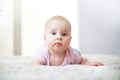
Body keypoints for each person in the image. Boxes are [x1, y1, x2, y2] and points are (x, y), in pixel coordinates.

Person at [32, 15, 104, 66]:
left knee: (77, 54)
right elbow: (35, 63)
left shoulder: (71, 53)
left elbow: (82, 60)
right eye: (54, 33)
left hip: (75, 52)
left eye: (64, 34)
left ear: (70, 39)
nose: (59, 37)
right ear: (45, 38)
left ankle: (77, 51)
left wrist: (89, 63)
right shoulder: (43, 52)